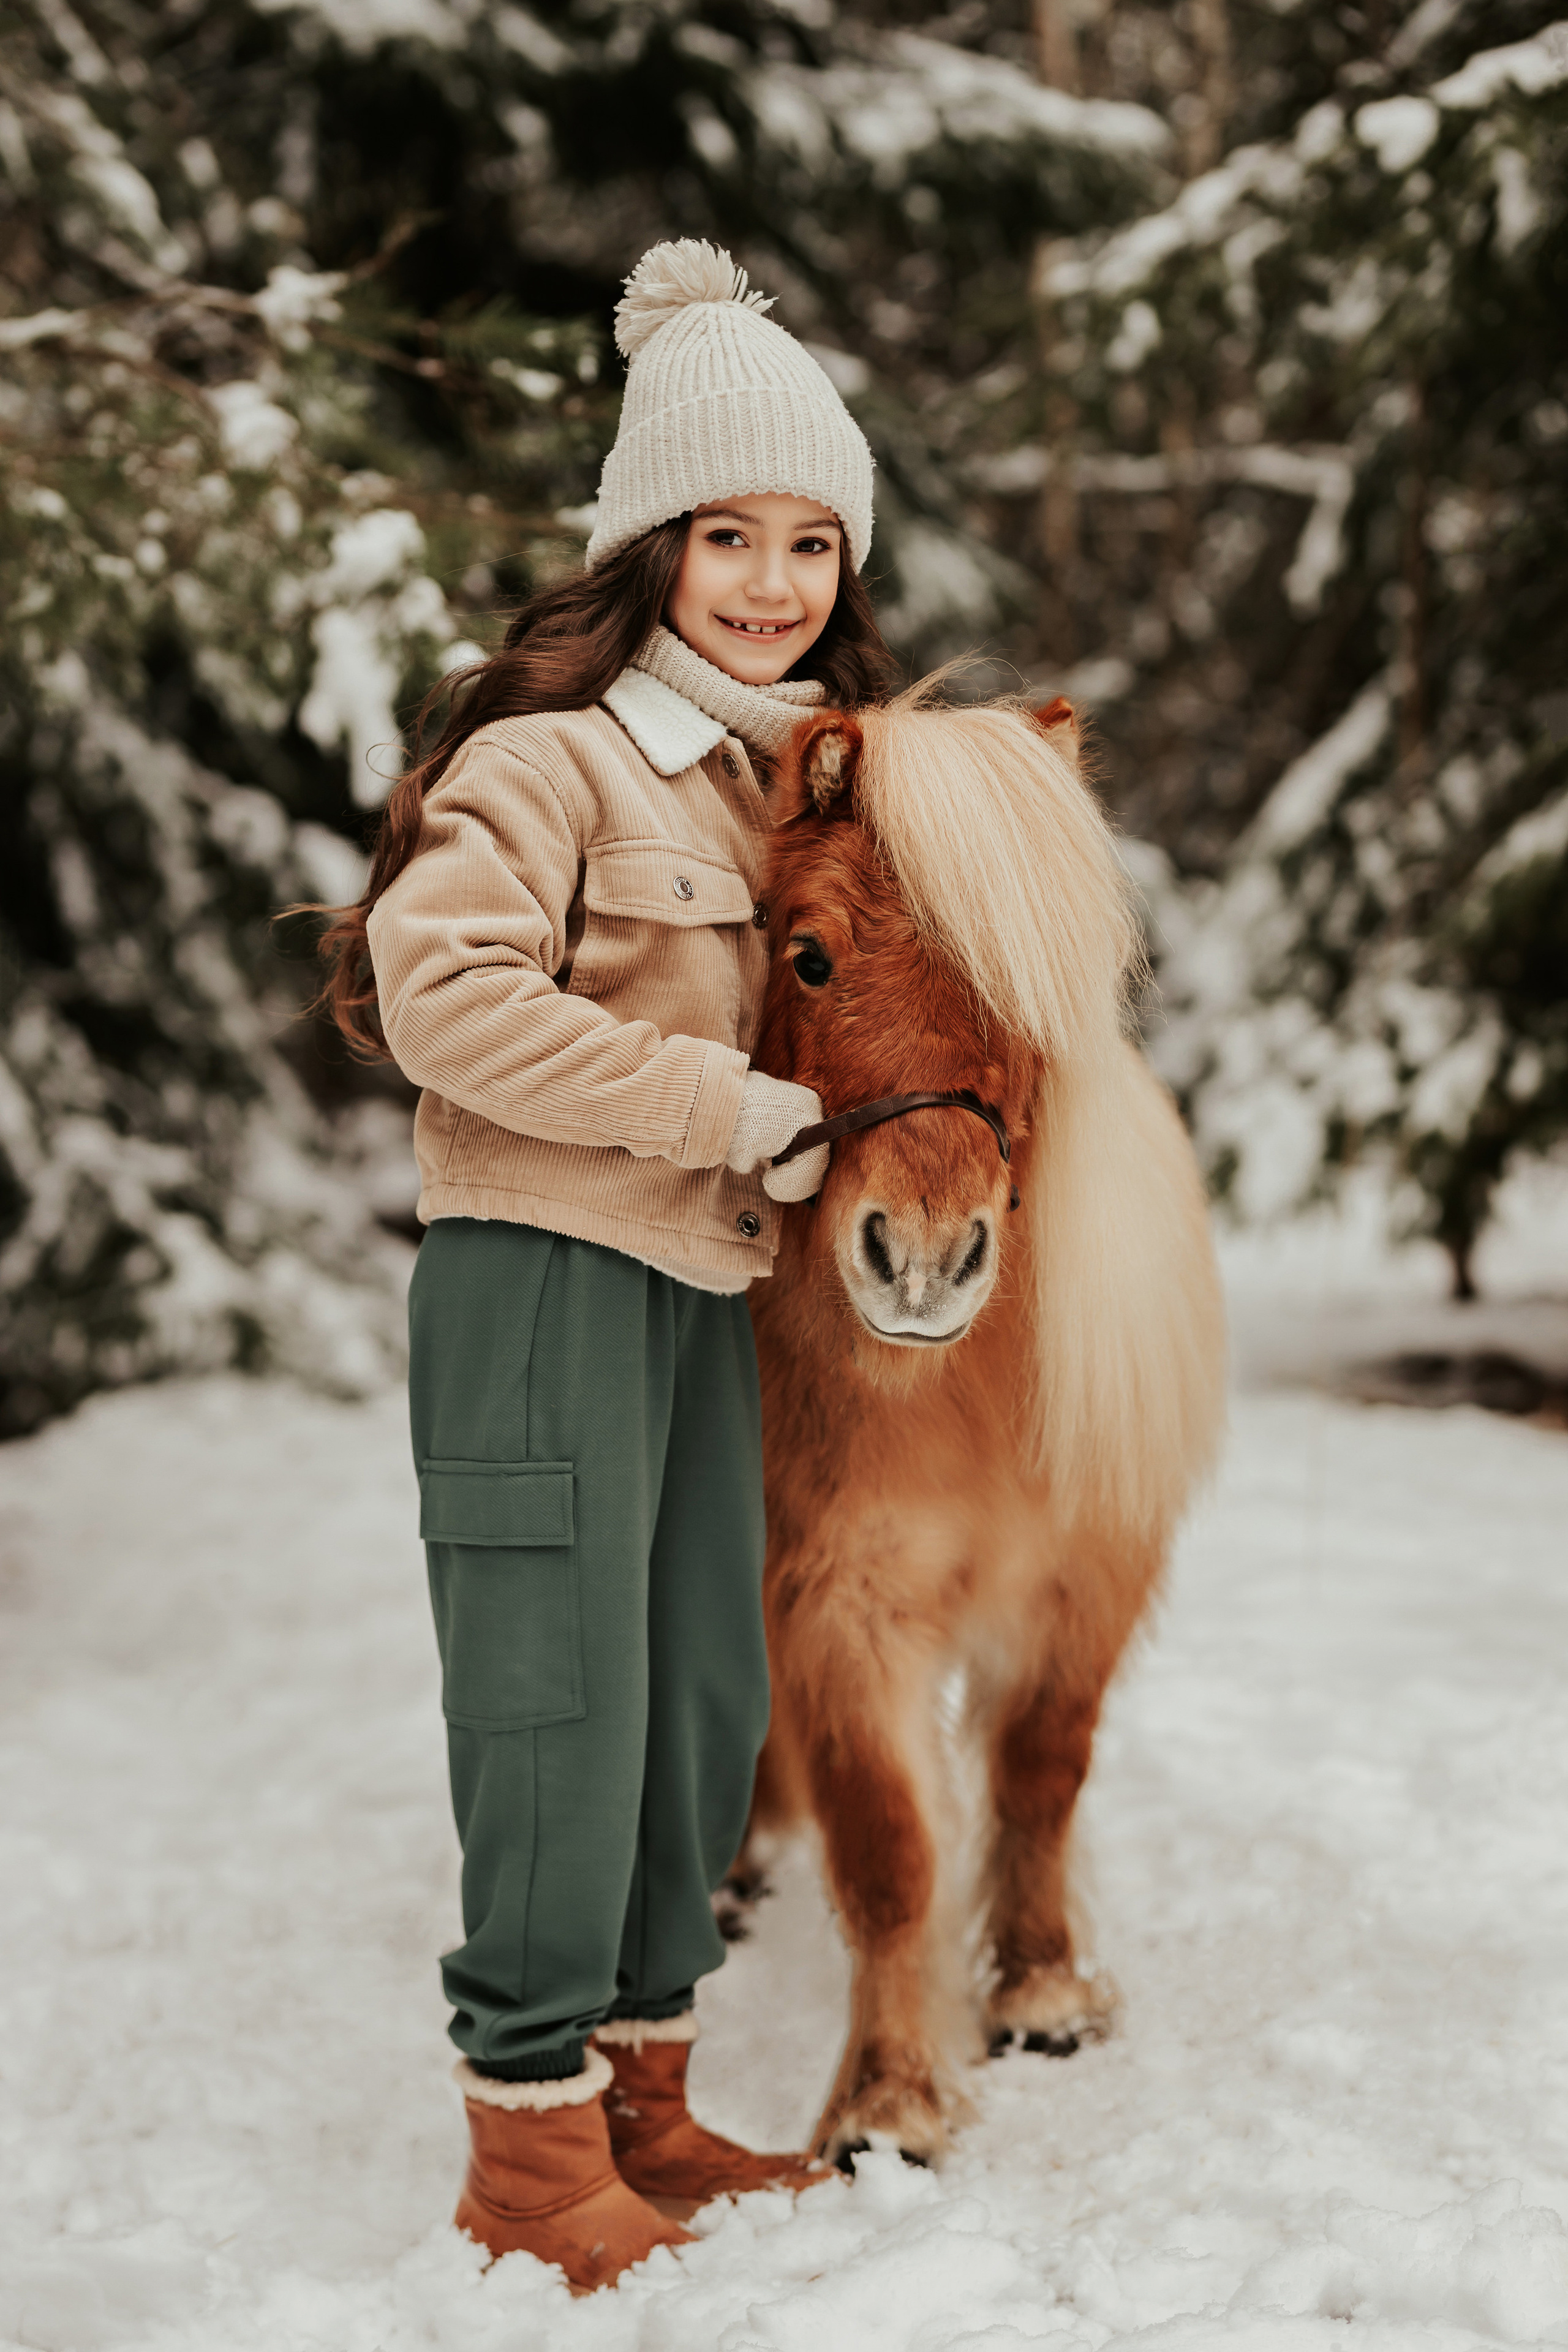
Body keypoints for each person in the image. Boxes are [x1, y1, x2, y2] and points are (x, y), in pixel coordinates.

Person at [315, 239, 895, 2292]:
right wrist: (725, 1111)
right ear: (649, 545)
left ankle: (647, 2094)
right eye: (727, 532)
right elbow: (440, 994)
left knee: (696, 1701)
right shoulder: (548, 764)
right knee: (555, 1706)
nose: (770, 578)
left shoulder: (800, 785)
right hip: (542, 1276)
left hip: (703, 1294)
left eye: (810, 538)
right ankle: (529, 2142)